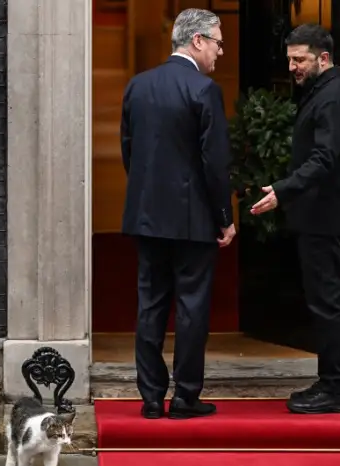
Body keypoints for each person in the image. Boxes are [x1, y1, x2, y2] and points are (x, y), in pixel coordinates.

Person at [120, 8, 236, 420]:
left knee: (150, 305)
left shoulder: (138, 86)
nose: (221, 52)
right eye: (218, 42)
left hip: (148, 216)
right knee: (191, 308)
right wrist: (225, 216)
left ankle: (151, 397)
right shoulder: (205, 91)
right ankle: (185, 397)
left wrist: (150, 195)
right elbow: (214, 163)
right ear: (197, 40)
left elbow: (128, 152)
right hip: (192, 221)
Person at [250, 23, 340, 414]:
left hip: (325, 219)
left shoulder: (333, 98)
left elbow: (324, 159)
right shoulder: (323, 92)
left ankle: (335, 390)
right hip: (319, 218)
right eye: (291, 59)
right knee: (323, 301)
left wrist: (284, 190)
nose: (294, 67)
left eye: (300, 59)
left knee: (328, 302)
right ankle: (330, 382)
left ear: (324, 57)